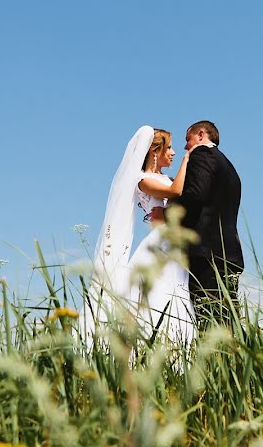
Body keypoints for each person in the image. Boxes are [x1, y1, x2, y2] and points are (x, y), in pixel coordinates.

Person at [81, 126, 196, 345]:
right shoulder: (142, 180)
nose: (173, 153)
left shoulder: (167, 177)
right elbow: (175, 192)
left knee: (177, 291)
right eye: (168, 148)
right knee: (159, 293)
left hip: (175, 240)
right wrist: (187, 160)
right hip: (160, 242)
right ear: (155, 151)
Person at [168, 120, 243, 328]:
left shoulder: (202, 155)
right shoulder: (229, 167)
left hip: (206, 254)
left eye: (187, 139)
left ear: (201, 134)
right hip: (229, 255)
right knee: (226, 322)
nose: (185, 147)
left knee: (207, 322)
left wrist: (166, 212)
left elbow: (195, 195)